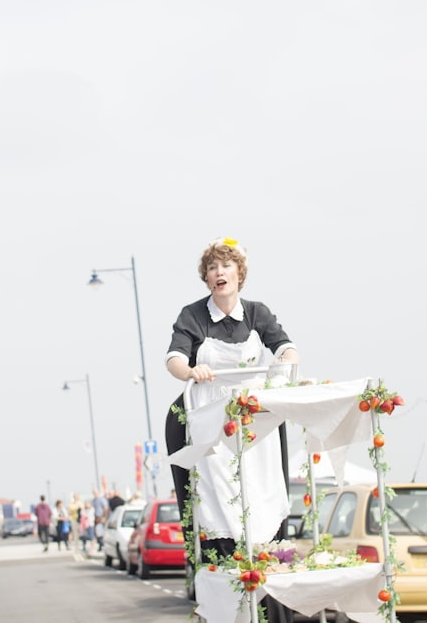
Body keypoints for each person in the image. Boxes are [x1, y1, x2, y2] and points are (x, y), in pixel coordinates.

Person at [164, 238, 299, 623]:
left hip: (256, 424)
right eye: (212, 268)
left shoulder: (258, 313)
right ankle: (228, 603)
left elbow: (287, 349)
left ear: (240, 273)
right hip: (213, 425)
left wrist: (284, 364)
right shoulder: (193, 315)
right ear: (206, 278)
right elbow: (173, 358)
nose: (219, 273)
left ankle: (273, 598)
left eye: (226, 266)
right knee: (219, 503)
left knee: (263, 499)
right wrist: (191, 371)